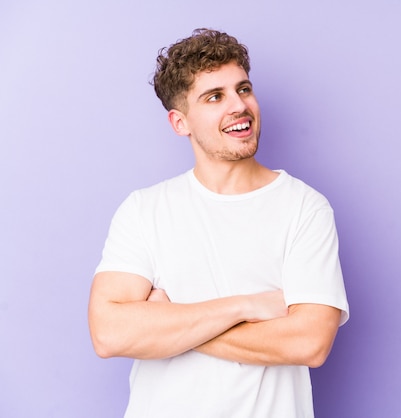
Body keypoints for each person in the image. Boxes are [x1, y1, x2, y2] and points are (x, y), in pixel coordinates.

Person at [87, 28, 349, 418]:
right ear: (180, 123)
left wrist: (168, 323)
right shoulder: (145, 209)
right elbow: (109, 333)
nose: (239, 106)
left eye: (243, 89)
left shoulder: (304, 208)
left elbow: (310, 342)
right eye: (215, 97)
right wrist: (247, 305)